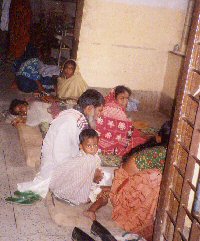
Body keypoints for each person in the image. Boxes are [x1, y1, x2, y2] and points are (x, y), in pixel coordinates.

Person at [17, 89, 105, 198]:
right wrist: (88, 172)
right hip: (55, 169)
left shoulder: (80, 118)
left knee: (94, 159)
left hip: (67, 161)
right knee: (91, 163)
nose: (99, 115)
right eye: (99, 111)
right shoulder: (69, 121)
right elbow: (60, 158)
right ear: (89, 108)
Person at [110, 121, 171, 241]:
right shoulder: (158, 153)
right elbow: (122, 181)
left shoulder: (167, 152)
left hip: (131, 191)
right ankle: (139, 220)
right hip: (121, 196)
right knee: (156, 177)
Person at [50, 128, 114, 220]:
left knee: (108, 189)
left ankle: (93, 204)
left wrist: (96, 178)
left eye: (95, 145)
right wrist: (95, 177)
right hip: (80, 191)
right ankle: (91, 210)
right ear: (81, 146)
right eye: (89, 146)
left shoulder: (92, 157)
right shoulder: (85, 159)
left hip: (89, 185)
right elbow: (81, 176)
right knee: (104, 198)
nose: (93, 148)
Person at [96, 85, 146, 158]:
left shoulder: (105, 105)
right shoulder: (116, 110)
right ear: (114, 97)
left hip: (98, 141)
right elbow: (127, 129)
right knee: (140, 140)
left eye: (127, 98)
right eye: (122, 98)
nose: (125, 101)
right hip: (110, 144)